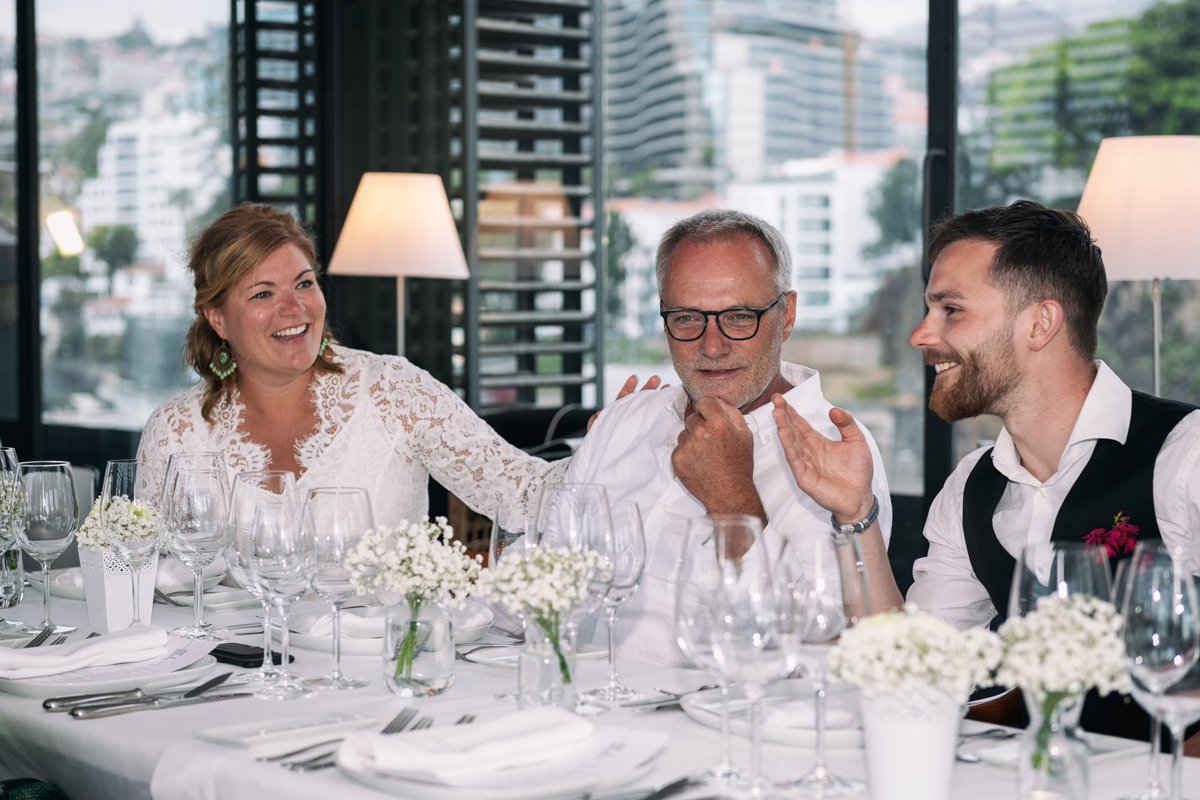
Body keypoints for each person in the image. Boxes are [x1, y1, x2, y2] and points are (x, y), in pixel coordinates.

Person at [773, 199, 1200, 739]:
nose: (920, 335)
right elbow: (913, 671)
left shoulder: (1185, 456)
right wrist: (857, 514)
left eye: (951, 309)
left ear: (1040, 323)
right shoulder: (972, 485)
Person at [563, 208, 894, 667]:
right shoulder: (622, 423)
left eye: (739, 317)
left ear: (788, 314)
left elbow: (822, 658)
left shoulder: (833, 453)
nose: (712, 346)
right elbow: (534, 579)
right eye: (686, 319)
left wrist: (734, 501)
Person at [136, 203, 568, 529]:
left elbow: (526, 496)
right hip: (236, 652)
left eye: (304, 283)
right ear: (218, 319)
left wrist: (618, 434)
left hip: (388, 649)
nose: (295, 307)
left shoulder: (394, 391)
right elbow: (145, 571)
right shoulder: (176, 431)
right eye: (263, 294)